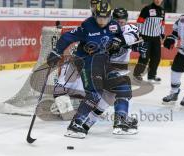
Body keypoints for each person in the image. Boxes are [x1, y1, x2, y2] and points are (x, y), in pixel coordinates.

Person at [47, 1, 136, 139]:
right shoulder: (87, 25)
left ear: (110, 16)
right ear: (94, 15)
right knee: (95, 93)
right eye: (99, 17)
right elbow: (67, 37)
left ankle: (120, 121)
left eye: (105, 17)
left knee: (123, 84)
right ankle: (74, 125)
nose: (102, 21)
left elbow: (120, 38)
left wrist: (118, 42)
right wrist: (56, 52)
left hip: (103, 63)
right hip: (86, 63)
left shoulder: (114, 25)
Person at [82, 7, 144, 135]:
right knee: (124, 89)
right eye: (117, 20)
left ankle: (85, 124)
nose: (120, 23)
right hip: (105, 68)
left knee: (107, 100)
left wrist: (135, 46)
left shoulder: (130, 28)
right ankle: (120, 122)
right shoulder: (104, 30)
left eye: (123, 21)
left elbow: (130, 38)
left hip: (118, 69)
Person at [133, 0, 165, 83]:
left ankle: (151, 76)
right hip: (145, 37)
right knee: (144, 57)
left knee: (156, 58)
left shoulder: (162, 11)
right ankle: (137, 75)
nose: (158, 0)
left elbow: (162, 23)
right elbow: (140, 22)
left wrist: (162, 33)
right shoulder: (146, 9)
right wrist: (139, 34)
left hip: (156, 38)